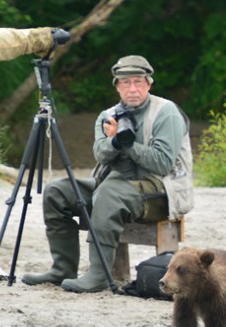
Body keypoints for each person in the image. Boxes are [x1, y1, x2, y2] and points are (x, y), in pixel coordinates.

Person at [21, 55, 194, 293]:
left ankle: (99, 275)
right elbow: (101, 155)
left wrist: (126, 144)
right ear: (117, 86)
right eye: (126, 83)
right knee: (57, 191)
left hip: (162, 190)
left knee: (108, 194)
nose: (132, 88)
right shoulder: (108, 115)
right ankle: (63, 268)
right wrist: (114, 142)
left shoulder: (166, 112)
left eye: (138, 82)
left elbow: (162, 163)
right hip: (118, 184)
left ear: (149, 83)